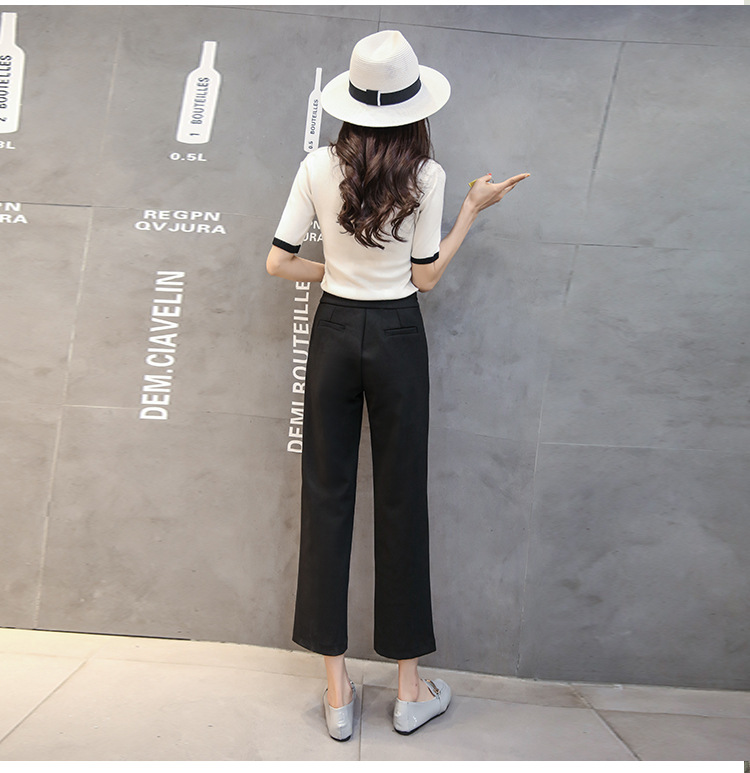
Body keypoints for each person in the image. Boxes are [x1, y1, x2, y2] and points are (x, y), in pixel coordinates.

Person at [267, 30, 529, 740]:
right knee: (402, 500)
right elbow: (425, 277)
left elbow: (279, 262)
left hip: (334, 333)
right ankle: (410, 690)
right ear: (415, 108)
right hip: (397, 336)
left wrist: (335, 272)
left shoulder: (316, 165)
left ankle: (336, 693)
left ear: (352, 102)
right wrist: (472, 209)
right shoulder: (429, 175)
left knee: (326, 496)